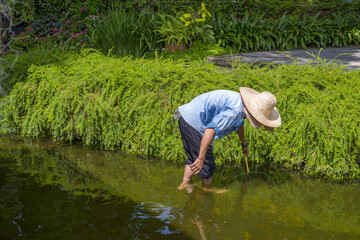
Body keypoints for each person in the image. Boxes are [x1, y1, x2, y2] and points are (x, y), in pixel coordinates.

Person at [175, 87, 281, 191]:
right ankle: (207, 189)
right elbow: (210, 130)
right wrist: (201, 159)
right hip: (193, 122)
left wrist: (244, 144)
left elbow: (239, 125)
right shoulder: (234, 111)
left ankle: (185, 183)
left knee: (196, 156)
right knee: (206, 162)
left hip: (187, 116)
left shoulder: (240, 104)